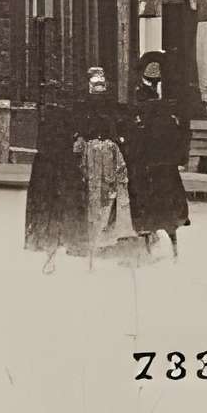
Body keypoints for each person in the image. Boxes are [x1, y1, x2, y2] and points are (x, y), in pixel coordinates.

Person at [126, 51, 191, 260]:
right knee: (152, 202)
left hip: (160, 159)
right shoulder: (141, 96)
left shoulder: (163, 95)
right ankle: (155, 244)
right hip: (151, 158)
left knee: (161, 202)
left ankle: (168, 244)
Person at [24, 79, 88, 272]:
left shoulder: (47, 120)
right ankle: (66, 246)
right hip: (62, 170)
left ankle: (49, 253)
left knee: (48, 211)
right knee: (65, 208)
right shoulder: (68, 121)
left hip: (47, 171)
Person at [74, 67, 136, 267]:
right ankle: (99, 236)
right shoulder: (102, 108)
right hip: (101, 151)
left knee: (100, 192)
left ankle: (98, 236)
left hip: (100, 151)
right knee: (103, 192)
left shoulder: (92, 108)